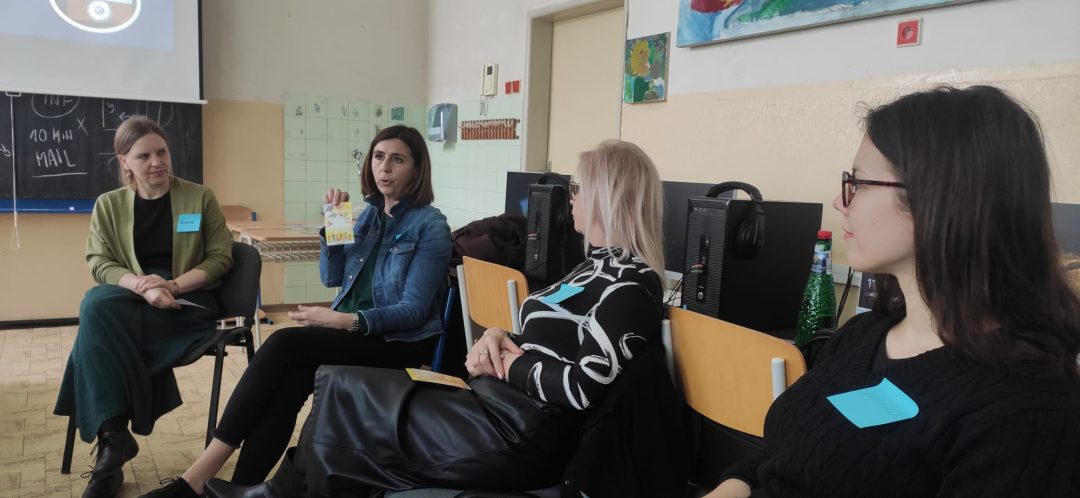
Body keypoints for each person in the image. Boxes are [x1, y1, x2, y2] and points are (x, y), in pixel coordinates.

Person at [201, 139, 668, 497]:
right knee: (334, 384)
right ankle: (267, 489)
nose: (570, 198)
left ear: (607, 196)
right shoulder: (593, 266)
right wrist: (498, 335)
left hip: (514, 427)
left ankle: (257, 488)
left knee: (328, 380)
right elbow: (333, 275)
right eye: (378, 158)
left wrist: (508, 362)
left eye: (578, 188)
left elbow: (582, 386)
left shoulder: (630, 283)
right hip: (494, 401)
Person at [706, 86, 1080, 498]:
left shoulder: (1025, 413)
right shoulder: (863, 335)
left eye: (858, 183)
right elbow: (784, 452)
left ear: (938, 198)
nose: (840, 201)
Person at [143, 125, 452, 498]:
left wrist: (343, 320)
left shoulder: (431, 225)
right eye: (379, 157)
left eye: (398, 160)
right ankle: (233, 489)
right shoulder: (369, 215)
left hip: (397, 343)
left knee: (283, 343)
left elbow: (414, 311)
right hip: (352, 333)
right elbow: (332, 276)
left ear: (417, 171)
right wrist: (334, 221)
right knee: (291, 380)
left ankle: (195, 480)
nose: (384, 167)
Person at [54, 116, 234, 498]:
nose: (157, 162)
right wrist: (140, 285)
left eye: (162, 152)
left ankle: (110, 448)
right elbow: (99, 261)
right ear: (124, 161)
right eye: (144, 156)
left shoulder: (200, 197)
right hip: (133, 298)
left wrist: (171, 285)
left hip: (188, 304)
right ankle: (113, 440)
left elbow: (221, 257)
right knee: (97, 304)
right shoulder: (109, 205)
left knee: (94, 325)